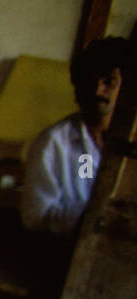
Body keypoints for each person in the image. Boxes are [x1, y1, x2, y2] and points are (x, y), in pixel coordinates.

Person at [21, 36, 126, 236]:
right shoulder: (53, 142)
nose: (98, 90)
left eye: (109, 82)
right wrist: (94, 212)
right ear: (78, 85)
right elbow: (34, 217)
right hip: (65, 252)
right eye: (90, 81)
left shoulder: (129, 145)